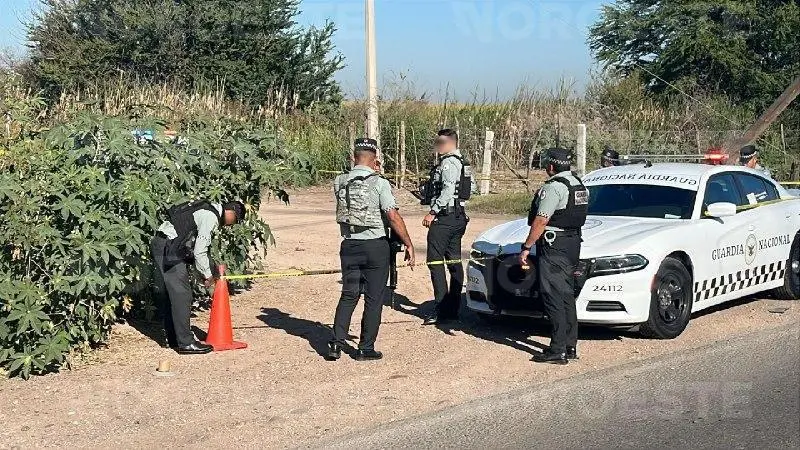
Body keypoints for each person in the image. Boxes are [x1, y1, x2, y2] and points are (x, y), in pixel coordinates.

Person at [329, 138, 415, 361]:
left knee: (349, 295)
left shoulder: (340, 181)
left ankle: (336, 344)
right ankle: (365, 348)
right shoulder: (379, 183)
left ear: (353, 157)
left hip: (349, 245)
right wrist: (408, 242)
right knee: (374, 298)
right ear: (375, 159)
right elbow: (392, 215)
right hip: (375, 246)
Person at [518, 148, 588, 364]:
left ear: (550, 167)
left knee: (553, 296)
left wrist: (527, 246)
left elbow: (541, 220)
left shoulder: (554, 188)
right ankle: (570, 346)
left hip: (554, 246)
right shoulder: (579, 185)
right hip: (572, 244)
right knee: (567, 295)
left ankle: (557, 350)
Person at [150, 200, 245, 354]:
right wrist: (208, 276)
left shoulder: (206, 208)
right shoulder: (211, 216)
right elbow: (200, 251)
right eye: (235, 220)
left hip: (161, 244)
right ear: (230, 212)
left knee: (173, 295)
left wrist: (206, 270)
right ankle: (186, 343)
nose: (232, 225)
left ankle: (173, 338)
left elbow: (193, 249)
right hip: (169, 248)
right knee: (182, 295)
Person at [422, 129, 470, 325]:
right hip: (458, 217)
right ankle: (452, 308)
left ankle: (442, 308)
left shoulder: (449, 162)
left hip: (445, 218)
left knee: (435, 262)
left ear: (451, 143)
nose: (438, 146)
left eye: (441, 142)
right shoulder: (463, 163)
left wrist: (433, 211)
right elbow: (470, 188)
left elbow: (449, 189)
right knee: (454, 261)